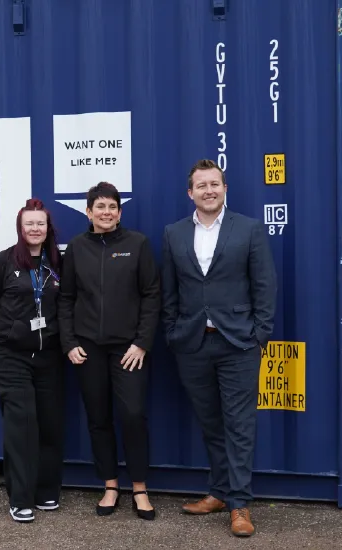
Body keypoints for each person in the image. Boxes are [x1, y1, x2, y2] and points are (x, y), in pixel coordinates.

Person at [160, 159, 277, 537]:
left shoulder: (249, 229)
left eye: (215, 184)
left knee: (239, 425)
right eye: (201, 185)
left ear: (224, 189)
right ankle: (219, 492)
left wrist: (259, 334)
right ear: (190, 193)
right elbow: (169, 290)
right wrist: (173, 331)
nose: (209, 190)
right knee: (211, 423)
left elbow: (265, 285)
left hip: (238, 342)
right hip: (192, 344)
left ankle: (240, 504)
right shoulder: (174, 233)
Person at [57, 182, 161, 521]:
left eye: (112, 206)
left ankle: (140, 489)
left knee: (132, 415)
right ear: (88, 212)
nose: (106, 212)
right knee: (98, 418)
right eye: (99, 206)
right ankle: (111, 485)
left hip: (128, 348)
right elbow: (66, 299)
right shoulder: (75, 248)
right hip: (87, 349)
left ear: (119, 211)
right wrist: (69, 342)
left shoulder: (137, 244)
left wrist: (142, 342)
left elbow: (151, 295)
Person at [0, 197, 67, 523]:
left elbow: (66, 304)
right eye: (29, 223)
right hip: (11, 355)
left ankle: (46, 491)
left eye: (40, 223)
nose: (34, 228)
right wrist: (9, 336)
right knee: (21, 426)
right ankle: (20, 498)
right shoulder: (4, 262)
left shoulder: (57, 262)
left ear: (47, 228)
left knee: (49, 423)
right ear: (20, 228)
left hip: (49, 356)